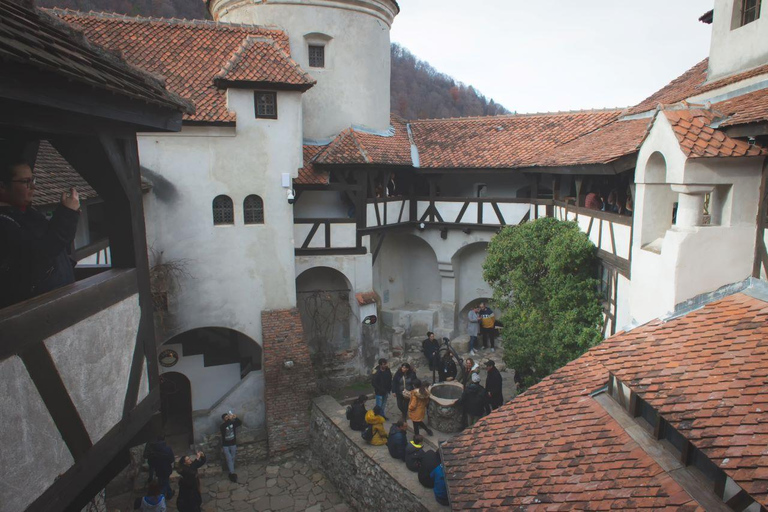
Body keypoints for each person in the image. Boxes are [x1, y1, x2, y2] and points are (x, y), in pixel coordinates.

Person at [0, 157, 80, 309]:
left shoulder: (28, 213)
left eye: (33, 180)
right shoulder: (4, 224)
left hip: (58, 298)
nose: (33, 187)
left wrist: (67, 215)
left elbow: (59, 242)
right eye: (25, 182)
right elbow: (41, 253)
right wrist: (67, 214)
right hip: (36, 310)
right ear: (2, 186)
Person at [220, 412, 242, 483]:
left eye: (227, 417)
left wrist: (235, 417)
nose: (227, 418)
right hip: (225, 445)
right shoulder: (222, 426)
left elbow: (239, 423)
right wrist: (230, 419)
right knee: (229, 458)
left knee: (233, 457)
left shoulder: (232, 423)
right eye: (226, 417)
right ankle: (232, 473)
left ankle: (231, 471)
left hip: (233, 443)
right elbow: (226, 427)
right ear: (224, 419)